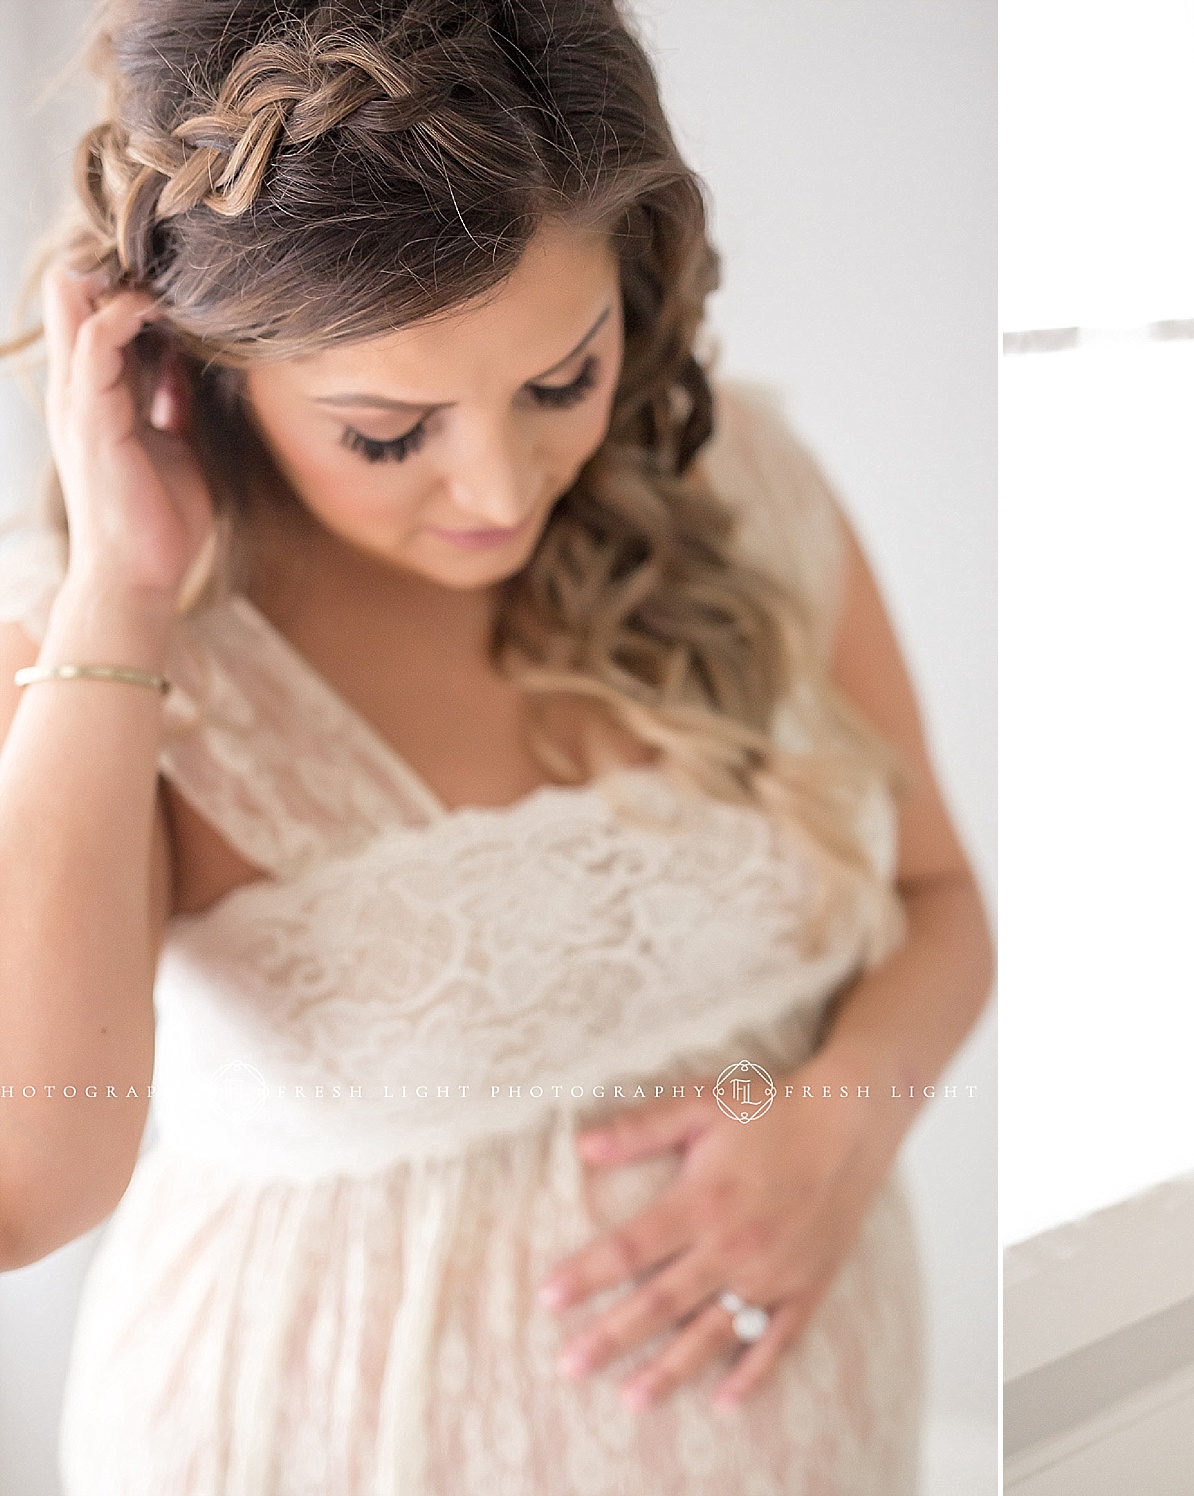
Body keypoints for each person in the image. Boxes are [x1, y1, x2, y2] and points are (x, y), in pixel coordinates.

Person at [0, 1, 994, 1491]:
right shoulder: (95, 653)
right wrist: (124, 594)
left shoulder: (744, 486)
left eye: (561, 380)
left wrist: (835, 1134)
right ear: (206, 369)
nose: (499, 485)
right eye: (391, 432)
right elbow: (32, 1181)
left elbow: (942, 910)